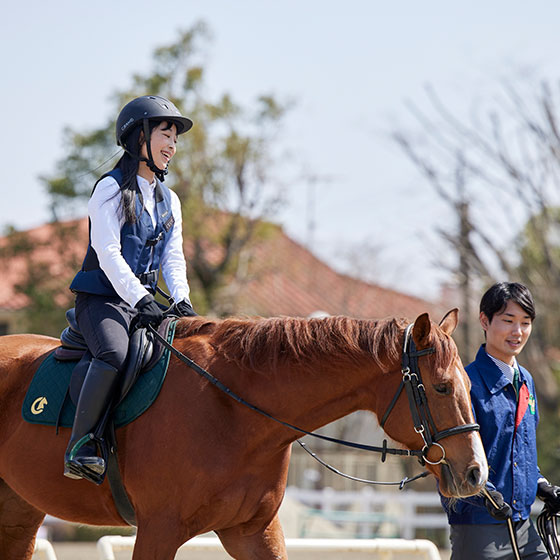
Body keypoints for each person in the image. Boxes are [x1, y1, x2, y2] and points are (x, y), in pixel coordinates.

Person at [64, 95, 197, 482]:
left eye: (175, 137)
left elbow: (173, 258)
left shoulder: (169, 199)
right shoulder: (109, 189)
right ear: (139, 136)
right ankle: (80, 444)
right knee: (114, 353)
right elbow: (107, 253)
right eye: (164, 133)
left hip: (144, 304)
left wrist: (183, 300)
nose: (172, 145)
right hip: (103, 300)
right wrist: (139, 297)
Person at [441, 282, 560, 559]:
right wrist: (487, 495)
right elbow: (454, 460)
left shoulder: (526, 381)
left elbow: (520, 450)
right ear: (485, 320)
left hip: (524, 527)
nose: (517, 332)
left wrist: (540, 483)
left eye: (525, 322)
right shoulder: (465, 384)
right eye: (508, 321)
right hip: (479, 529)